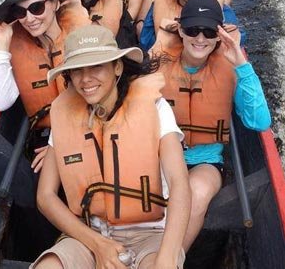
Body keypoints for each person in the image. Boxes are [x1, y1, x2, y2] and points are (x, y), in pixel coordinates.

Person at [31, 25, 190, 269]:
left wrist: (167, 259)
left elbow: (179, 183)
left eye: (96, 66)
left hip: (150, 236)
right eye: (77, 70)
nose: (86, 79)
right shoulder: (65, 114)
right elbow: (45, 196)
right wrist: (97, 244)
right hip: (88, 234)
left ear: (117, 67)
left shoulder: (155, 108)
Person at [151, 0, 271, 252]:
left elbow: (259, 121)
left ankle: (170, 261)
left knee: (196, 194)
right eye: (193, 30)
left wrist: (241, 63)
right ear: (181, 31)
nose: (200, 38)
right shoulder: (158, 64)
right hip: (159, 156)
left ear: (219, 35)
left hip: (204, 161)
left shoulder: (230, 68)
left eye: (208, 31)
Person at [0, 0, 90, 172]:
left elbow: (95, 105)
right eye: (20, 12)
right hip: (46, 138)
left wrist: (58, 143)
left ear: (55, 4)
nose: (29, 19)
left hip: (86, 131)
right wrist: (3, 44)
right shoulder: (19, 47)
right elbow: (1, 101)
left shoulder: (82, 38)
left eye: (36, 8)